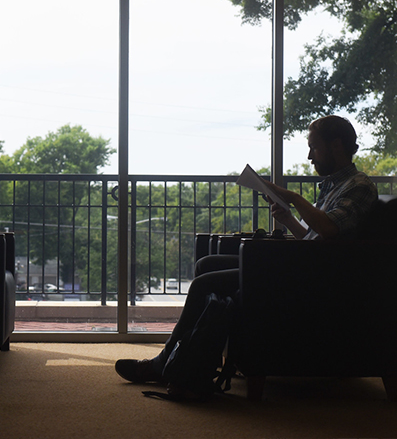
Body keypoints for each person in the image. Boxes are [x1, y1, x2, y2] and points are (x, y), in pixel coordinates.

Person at [114, 115, 378, 391]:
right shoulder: (335, 186)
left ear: (336, 145)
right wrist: (288, 219)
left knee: (205, 282)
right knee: (207, 264)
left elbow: (330, 229)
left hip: (310, 278)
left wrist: (295, 198)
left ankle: (163, 363)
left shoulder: (359, 186)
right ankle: (195, 357)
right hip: (304, 266)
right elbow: (316, 237)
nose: (310, 156)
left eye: (314, 147)